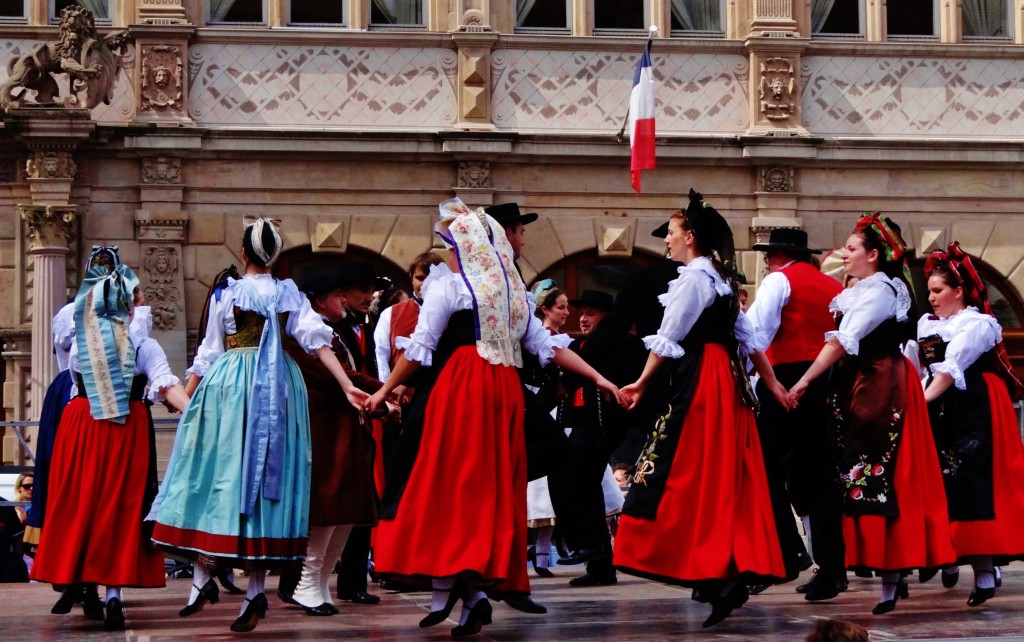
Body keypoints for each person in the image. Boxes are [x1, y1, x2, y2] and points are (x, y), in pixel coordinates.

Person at [365, 198, 625, 638]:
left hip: (461, 388)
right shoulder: (513, 292)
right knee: (490, 488)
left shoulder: (451, 288)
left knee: (447, 484)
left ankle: (459, 586)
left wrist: (383, 390)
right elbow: (549, 347)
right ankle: (472, 588)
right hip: (503, 388)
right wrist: (598, 377)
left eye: (453, 244)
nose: (450, 252)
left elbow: (419, 349)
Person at [150, 219, 368, 633]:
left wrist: (188, 399)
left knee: (219, 474)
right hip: (279, 389)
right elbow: (317, 341)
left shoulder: (227, 293)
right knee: (270, 484)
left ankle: (202, 575)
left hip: (231, 386)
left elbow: (209, 352)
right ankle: (253, 590)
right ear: (276, 256)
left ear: (243, 254)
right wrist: (346, 385)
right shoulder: (287, 293)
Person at [615, 189, 785, 629]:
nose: (666, 240)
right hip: (726, 379)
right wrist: (773, 386)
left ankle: (709, 568)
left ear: (689, 236)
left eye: (671, 233)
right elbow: (749, 341)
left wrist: (641, 381)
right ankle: (721, 572)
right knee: (719, 474)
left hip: (703, 380)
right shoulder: (721, 279)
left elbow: (669, 336)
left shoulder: (695, 278)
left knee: (683, 469)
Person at [786, 212, 956, 615]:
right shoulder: (860, 290)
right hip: (858, 384)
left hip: (880, 386)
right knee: (856, 476)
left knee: (882, 476)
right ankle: (876, 570)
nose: (843, 255)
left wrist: (804, 380)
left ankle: (892, 574)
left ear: (874, 254)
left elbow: (843, 341)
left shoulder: (880, 290)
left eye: (851, 249)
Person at [31, 262, 190, 630]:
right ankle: (111, 592)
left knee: (82, 504)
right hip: (124, 428)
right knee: (120, 507)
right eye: (137, 300)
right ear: (129, 307)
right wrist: (194, 410)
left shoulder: (82, 340)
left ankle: (84, 581)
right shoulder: (142, 344)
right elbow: (165, 384)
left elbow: (72, 378)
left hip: (82, 423)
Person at [279, 267, 394, 616]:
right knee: (327, 507)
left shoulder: (329, 332)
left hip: (343, 426)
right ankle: (306, 582)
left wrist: (381, 396)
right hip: (323, 427)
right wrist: (384, 394)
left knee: (347, 511)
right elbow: (338, 377)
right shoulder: (301, 334)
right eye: (336, 295)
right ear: (318, 301)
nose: (342, 300)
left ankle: (319, 583)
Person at [916, 242, 1024, 606]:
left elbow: (951, 369)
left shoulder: (977, 324)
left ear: (959, 291)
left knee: (974, 484)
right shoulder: (929, 325)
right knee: (940, 481)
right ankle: (948, 557)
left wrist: (920, 402)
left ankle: (984, 571)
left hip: (974, 408)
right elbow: (927, 370)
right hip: (943, 406)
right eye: (930, 291)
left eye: (938, 290)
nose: (931, 298)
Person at [745, 228, 845, 599]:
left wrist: (748, 376)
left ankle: (788, 552)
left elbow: (754, 334)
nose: (767, 261)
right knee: (820, 474)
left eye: (768, 255)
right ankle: (832, 569)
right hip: (823, 378)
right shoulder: (834, 287)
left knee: (760, 466)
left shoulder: (778, 280)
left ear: (779, 255)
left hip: (784, 379)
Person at [550, 289, 636, 588]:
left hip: (605, 424)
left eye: (591, 314)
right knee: (585, 487)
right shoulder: (575, 345)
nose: (583, 319)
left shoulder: (622, 344)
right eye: (582, 314)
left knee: (573, 478)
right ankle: (599, 564)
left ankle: (585, 545)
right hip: (580, 424)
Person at [333, 261, 391, 606]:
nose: (369, 296)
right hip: (337, 423)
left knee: (363, 501)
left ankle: (352, 582)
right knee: (329, 503)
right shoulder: (326, 330)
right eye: (362, 291)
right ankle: (297, 580)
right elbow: (347, 375)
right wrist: (383, 392)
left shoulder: (366, 328)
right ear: (341, 294)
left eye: (372, 291)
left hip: (364, 422)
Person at [523, 279, 569, 579]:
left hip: (556, 414)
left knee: (553, 491)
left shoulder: (563, 342)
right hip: (538, 410)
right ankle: (535, 553)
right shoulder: (537, 341)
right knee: (537, 491)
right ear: (544, 310)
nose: (566, 313)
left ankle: (546, 551)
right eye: (560, 307)